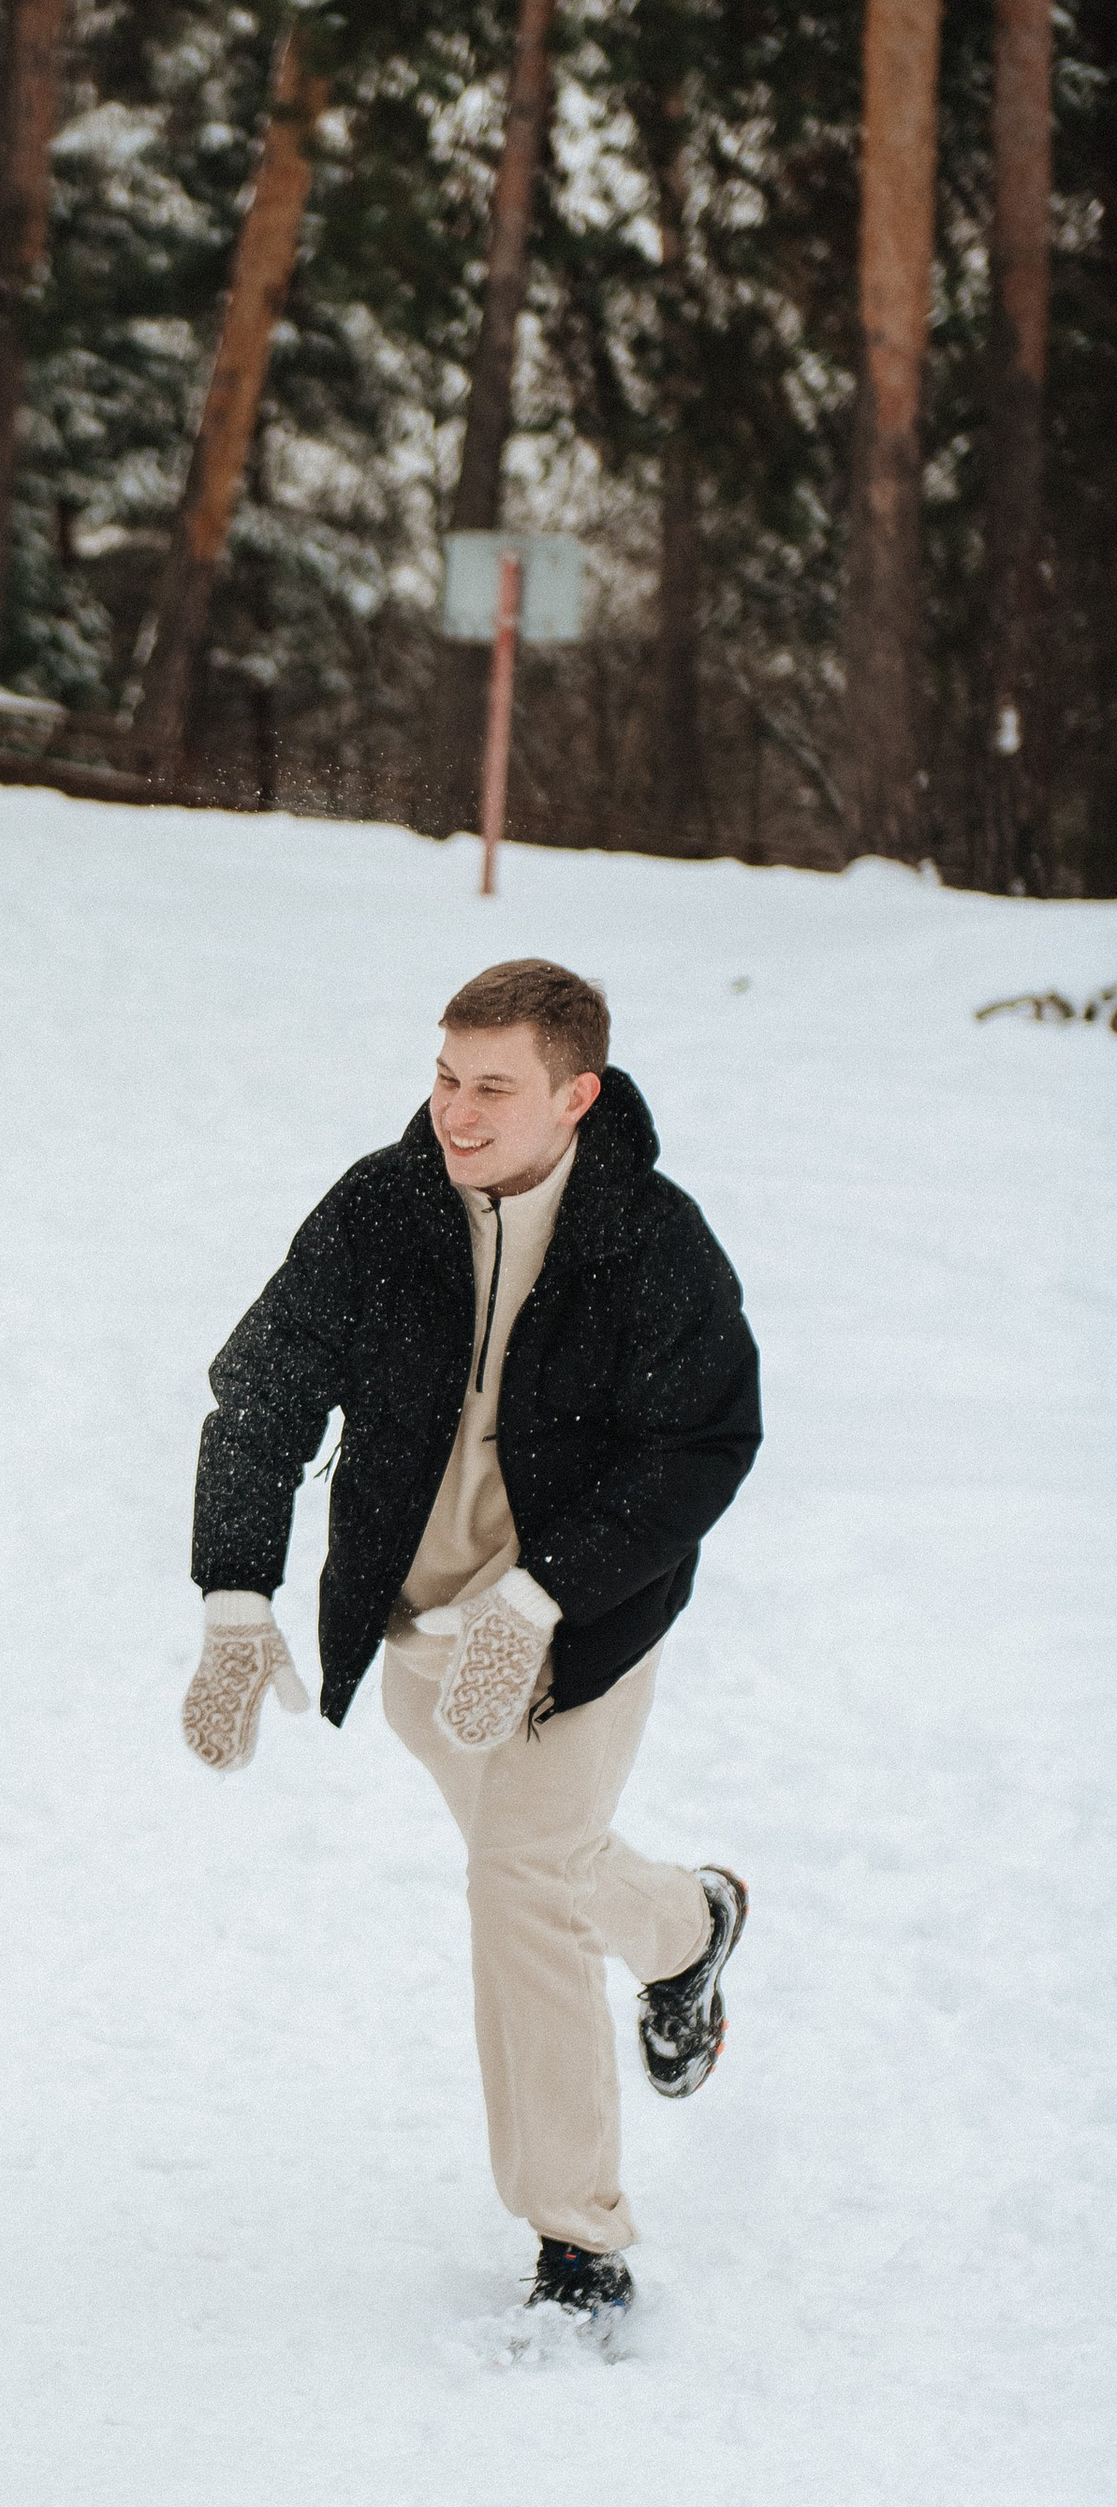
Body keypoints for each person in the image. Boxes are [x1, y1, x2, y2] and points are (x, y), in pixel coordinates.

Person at [180, 958, 761, 2326]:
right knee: (549, 1868)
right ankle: (690, 1928)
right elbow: (262, 1387)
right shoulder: (386, 1211)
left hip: (579, 1621)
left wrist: (542, 1596)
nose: (455, 1109)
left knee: (519, 1888)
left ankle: (578, 2239)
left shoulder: (649, 1239)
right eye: (445, 1075)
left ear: (575, 1096)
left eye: (493, 1086)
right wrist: (234, 1594)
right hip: (423, 1624)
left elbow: (703, 1445)